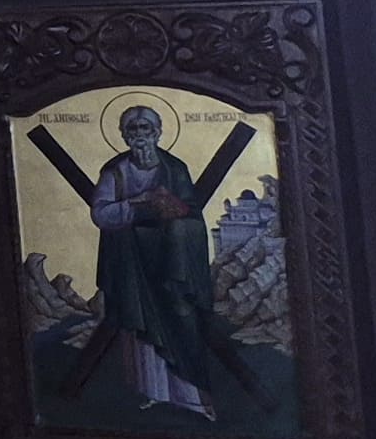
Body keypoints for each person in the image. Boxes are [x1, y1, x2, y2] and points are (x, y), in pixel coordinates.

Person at [83, 105, 251, 415]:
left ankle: (191, 397)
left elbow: (192, 217)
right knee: (142, 330)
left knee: (182, 322)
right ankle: (154, 393)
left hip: (173, 269)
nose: (140, 136)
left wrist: (173, 219)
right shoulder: (115, 171)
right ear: (123, 136)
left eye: (146, 129)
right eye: (133, 130)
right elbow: (100, 214)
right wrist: (136, 203)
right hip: (134, 266)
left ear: (158, 133)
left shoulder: (175, 169)